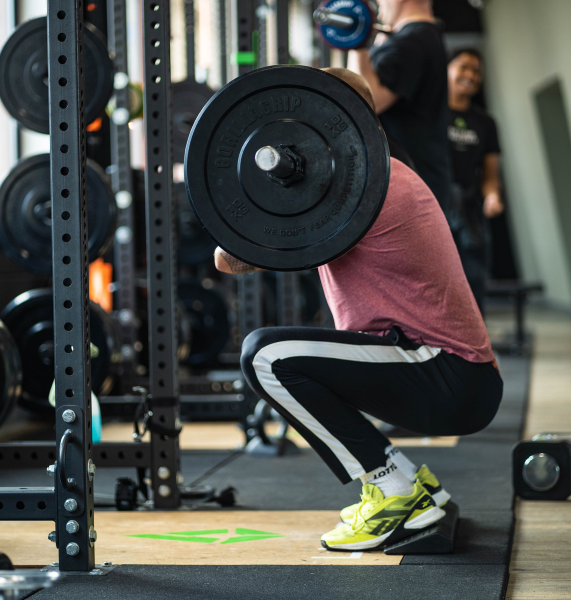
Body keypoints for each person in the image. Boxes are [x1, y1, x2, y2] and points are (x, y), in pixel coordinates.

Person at [215, 69, 503, 552]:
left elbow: (232, 259)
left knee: (266, 355)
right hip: (451, 374)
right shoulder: (369, 178)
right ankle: (412, 483)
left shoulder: (362, 192)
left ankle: (393, 489)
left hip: (446, 374)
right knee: (286, 355)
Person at [349, 0, 452, 211]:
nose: (378, 3)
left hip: (408, 189)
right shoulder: (423, 37)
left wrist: (355, 41)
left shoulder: (411, 42)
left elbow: (364, 103)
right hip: (420, 181)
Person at [447, 48, 504, 312]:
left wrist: (492, 195)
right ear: (447, 70)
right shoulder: (429, 116)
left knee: (474, 278)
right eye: (463, 67)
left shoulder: (485, 122)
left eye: (476, 71)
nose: (470, 75)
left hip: (469, 210)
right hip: (433, 206)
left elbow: (490, 173)